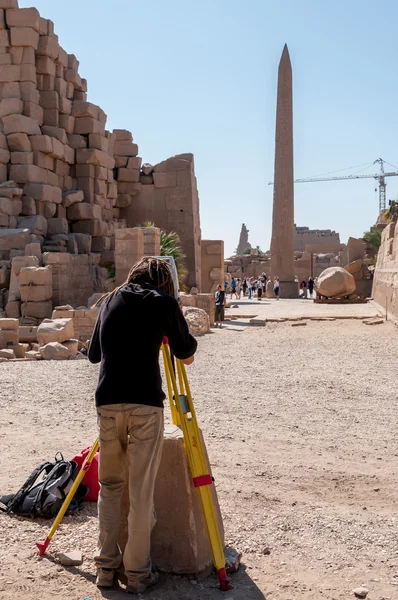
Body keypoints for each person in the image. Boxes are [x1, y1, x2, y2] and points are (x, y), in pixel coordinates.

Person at [88, 257, 197, 594]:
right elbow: (187, 354)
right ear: (165, 282)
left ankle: (105, 568)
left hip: (107, 403)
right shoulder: (162, 303)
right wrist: (172, 316)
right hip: (145, 404)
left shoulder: (110, 300)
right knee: (140, 491)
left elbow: (93, 355)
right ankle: (137, 573)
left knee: (110, 487)